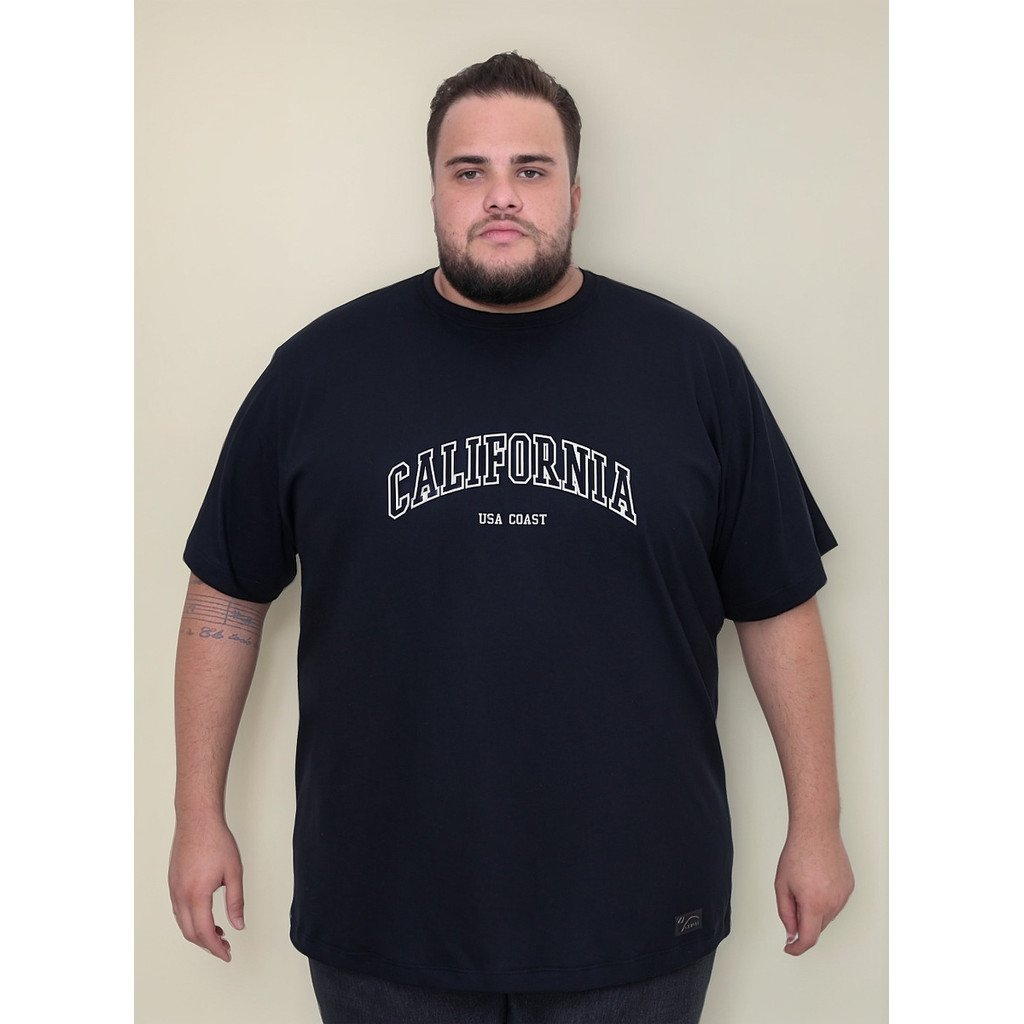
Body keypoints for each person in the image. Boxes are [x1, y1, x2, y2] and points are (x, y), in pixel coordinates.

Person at [169, 52, 854, 1024]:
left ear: (572, 192)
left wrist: (816, 825)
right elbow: (225, 596)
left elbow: (777, 603)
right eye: (470, 171)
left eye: (530, 169)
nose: (501, 196)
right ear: (433, 191)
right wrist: (198, 814)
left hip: (635, 908)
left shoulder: (692, 369)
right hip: (383, 909)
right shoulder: (319, 372)